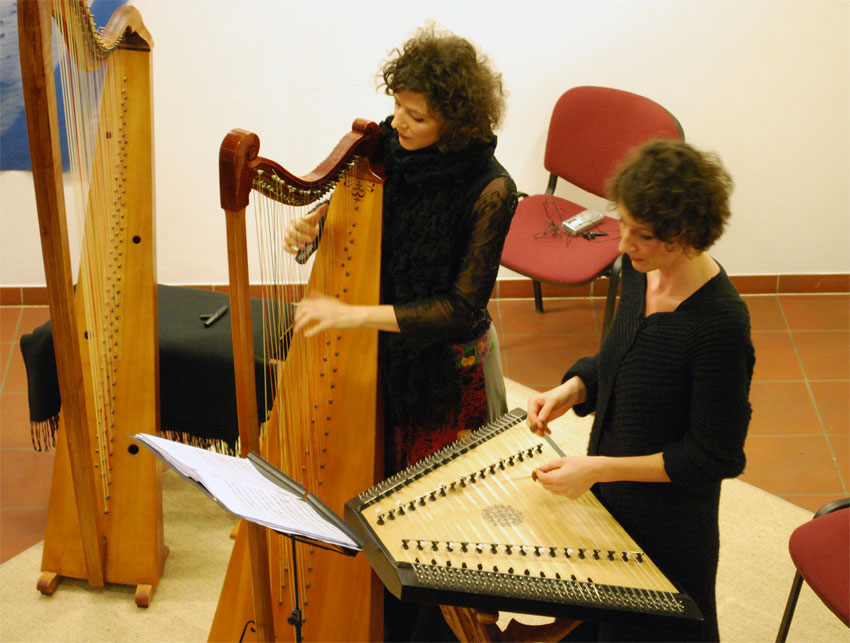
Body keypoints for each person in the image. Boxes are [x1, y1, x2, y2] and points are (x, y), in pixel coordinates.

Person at [287, 24, 517, 641]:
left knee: (433, 529)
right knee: (379, 501)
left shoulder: (492, 188)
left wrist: (352, 316)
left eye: (416, 114)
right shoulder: (387, 150)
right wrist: (315, 223)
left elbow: (463, 309)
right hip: (386, 356)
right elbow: (356, 216)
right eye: (397, 107)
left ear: (457, 119)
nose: (400, 123)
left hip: (448, 376)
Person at [527, 140, 754, 642]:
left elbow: (712, 457)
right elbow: (621, 356)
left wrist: (597, 468)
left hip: (670, 525)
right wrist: (574, 387)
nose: (623, 243)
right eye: (623, 224)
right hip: (607, 494)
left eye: (643, 235)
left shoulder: (720, 325)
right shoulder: (637, 270)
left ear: (688, 237)